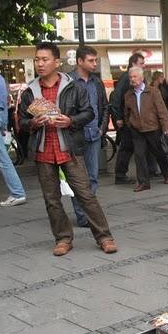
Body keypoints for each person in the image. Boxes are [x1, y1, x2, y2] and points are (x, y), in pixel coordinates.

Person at [19, 42, 117, 256]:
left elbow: (89, 113)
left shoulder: (74, 87)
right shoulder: (30, 91)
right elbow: (22, 122)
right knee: (51, 199)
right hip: (44, 152)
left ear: (57, 62)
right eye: (37, 60)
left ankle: (104, 236)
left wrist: (70, 120)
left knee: (85, 194)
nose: (40, 64)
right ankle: (63, 238)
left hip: (69, 149)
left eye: (44, 60)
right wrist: (34, 123)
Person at [68, 45, 109, 227]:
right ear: (79, 61)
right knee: (77, 178)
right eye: (91, 60)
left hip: (94, 134)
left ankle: (88, 214)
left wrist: (101, 128)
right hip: (75, 135)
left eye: (95, 60)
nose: (95, 64)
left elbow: (104, 106)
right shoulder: (69, 81)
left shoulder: (97, 82)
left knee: (92, 176)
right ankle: (81, 214)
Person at [123, 66, 168, 192]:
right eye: (131, 77)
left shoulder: (153, 92)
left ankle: (167, 174)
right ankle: (144, 182)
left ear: (141, 77)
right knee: (139, 156)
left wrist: (166, 126)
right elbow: (126, 113)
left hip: (152, 128)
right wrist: (130, 124)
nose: (132, 79)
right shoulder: (128, 94)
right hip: (137, 130)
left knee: (158, 152)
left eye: (135, 77)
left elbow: (162, 110)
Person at [110, 52, 145, 184]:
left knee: (131, 146)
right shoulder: (126, 78)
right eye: (141, 63)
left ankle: (124, 173)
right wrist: (118, 117)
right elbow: (117, 97)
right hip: (127, 119)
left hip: (131, 118)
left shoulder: (131, 77)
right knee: (127, 147)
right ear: (134, 63)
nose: (144, 65)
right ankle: (120, 174)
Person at [0, 72, 26, 207]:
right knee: (2, 158)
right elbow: (3, 103)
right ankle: (17, 192)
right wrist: (2, 124)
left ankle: (17, 193)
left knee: (2, 159)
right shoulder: (0, 79)